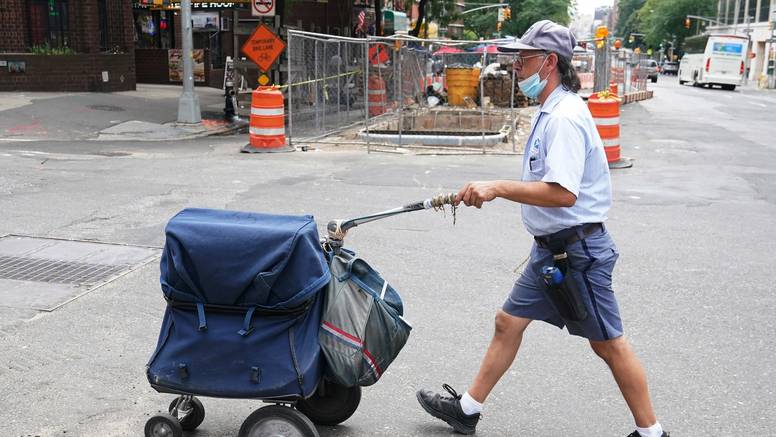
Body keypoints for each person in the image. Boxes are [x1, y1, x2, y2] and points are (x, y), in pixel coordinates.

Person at [416, 20, 669, 437]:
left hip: (577, 253)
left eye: (524, 58)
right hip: (551, 251)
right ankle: (467, 408)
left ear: (550, 62)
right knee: (507, 322)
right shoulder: (551, 110)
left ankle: (652, 433)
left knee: (607, 343)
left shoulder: (565, 117)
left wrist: (496, 187)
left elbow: (563, 193)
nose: (516, 66)